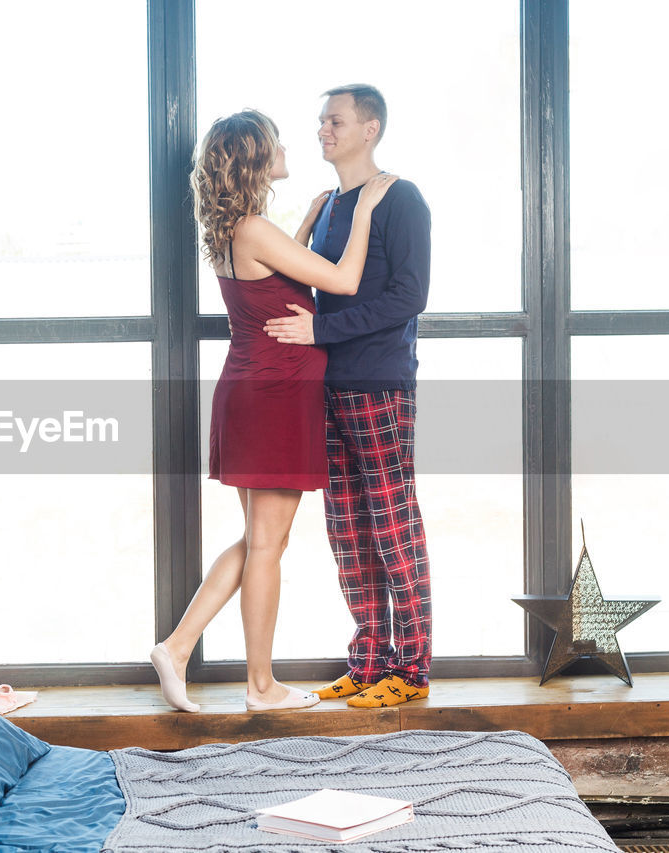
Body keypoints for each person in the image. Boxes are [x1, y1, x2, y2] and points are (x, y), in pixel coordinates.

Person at [150, 110, 397, 713]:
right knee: (267, 544)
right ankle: (259, 687)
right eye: (277, 142)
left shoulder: (236, 228)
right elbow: (341, 281)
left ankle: (178, 647)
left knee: (260, 539)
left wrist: (308, 222)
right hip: (275, 396)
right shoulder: (256, 230)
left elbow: (280, 269)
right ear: (257, 159)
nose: (290, 146)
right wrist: (362, 213)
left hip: (252, 392)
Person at [264, 84, 432, 709]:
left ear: (371, 128)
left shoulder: (399, 197)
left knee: (393, 528)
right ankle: (368, 662)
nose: (321, 130)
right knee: (347, 532)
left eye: (334, 120)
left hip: (380, 385)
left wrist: (324, 330)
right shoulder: (332, 204)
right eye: (319, 121)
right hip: (326, 389)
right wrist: (306, 225)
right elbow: (309, 283)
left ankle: (410, 671)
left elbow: (408, 297)